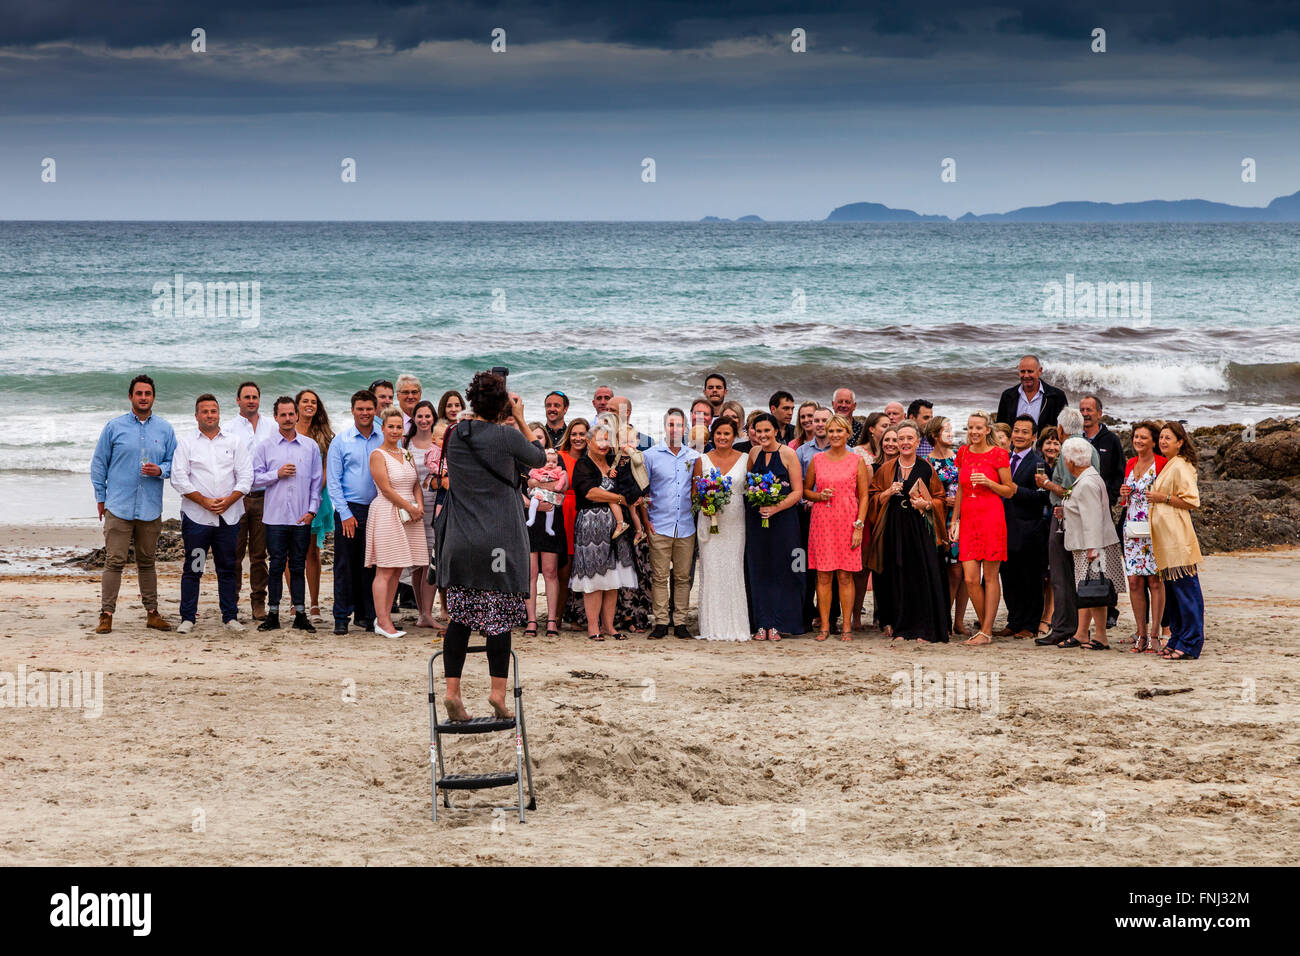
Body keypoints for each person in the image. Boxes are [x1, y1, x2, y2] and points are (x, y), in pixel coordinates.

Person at [435, 372, 545, 719]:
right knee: (498, 619)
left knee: (460, 619)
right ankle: (498, 694)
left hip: (461, 540)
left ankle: (453, 691)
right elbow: (540, 458)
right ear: (503, 406)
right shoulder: (507, 436)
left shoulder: (454, 434)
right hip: (498, 542)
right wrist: (523, 419)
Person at [90, 374, 177, 634]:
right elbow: (99, 464)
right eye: (138, 393)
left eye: (147, 393)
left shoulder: (165, 429)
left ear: (153, 397)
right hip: (118, 505)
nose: (143, 397)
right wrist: (100, 497)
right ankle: (106, 614)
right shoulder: (114, 427)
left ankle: (152, 613)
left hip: (150, 507)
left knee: (147, 561)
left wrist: (160, 470)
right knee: (114, 561)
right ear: (131, 397)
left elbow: (176, 464)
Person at [171, 393, 250, 634]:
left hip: (229, 518)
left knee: (227, 567)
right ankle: (188, 618)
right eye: (204, 411)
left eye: (213, 411)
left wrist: (228, 501)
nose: (209, 415)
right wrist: (204, 501)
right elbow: (179, 478)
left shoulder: (234, 442)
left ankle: (230, 616)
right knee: (194, 567)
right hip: (197, 520)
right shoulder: (187, 443)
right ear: (197, 415)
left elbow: (246, 478)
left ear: (219, 414)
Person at [868, 421, 950, 643]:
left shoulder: (926, 467)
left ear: (918, 442)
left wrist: (926, 505)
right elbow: (873, 498)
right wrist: (887, 492)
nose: (904, 443)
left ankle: (924, 629)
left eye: (908, 438)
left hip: (920, 528)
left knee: (921, 576)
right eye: (900, 438)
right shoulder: (887, 468)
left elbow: (940, 499)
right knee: (897, 575)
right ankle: (900, 628)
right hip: (893, 527)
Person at [253, 396, 323, 633]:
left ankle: (300, 612)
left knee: (298, 565)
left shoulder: (310, 446)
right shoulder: (265, 446)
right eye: (282, 415)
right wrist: (276, 474)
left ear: (296, 415)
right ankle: (273, 613)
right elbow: (253, 479)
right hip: (274, 517)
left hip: (301, 517)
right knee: (275, 565)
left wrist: (312, 510)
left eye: (291, 414)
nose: (287, 418)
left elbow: (316, 482)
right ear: (275, 417)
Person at [1034, 408, 1101, 646]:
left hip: (1066, 517)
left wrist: (1047, 483)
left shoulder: (1068, 451)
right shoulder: (1090, 448)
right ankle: (1078, 628)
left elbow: (1069, 491)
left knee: (1061, 574)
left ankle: (1063, 627)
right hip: (1087, 517)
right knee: (1079, 574)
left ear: (1060, 429)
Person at [804, 415, 872, 641]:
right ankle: (824, 626)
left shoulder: (856, 461)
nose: (834, 435)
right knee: (823, 576)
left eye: (839, 431)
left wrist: (859, 526)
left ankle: (846, 627)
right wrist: (818, 495)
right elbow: (806, 491)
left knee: (845, 576)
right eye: (831, 431)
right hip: (822, 522)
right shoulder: (818, 460)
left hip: (848, 522)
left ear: (848, 433)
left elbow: (863, 497)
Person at [570, 417, 638, 641]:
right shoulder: (583, 464)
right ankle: (593, 628)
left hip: (617, 528)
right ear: (589, 442)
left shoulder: (613, 460)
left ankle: (610, 626)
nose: (603, 443)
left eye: (607, 439)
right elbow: (590, 492)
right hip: (591, 526)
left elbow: (629, 482)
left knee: (613, 579)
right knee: (594, 579)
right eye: (599, 439)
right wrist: (620, 498)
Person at [950, 411, 1014, 646]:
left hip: (991, 517)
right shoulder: (963, 453)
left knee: (990, 575)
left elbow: (1009, 490)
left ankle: (985, 631)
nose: (974, 432)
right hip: (968, 519)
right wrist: (954, 520)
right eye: (970, 428)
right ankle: (985, 625)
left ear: (988, 430)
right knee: (969, 578)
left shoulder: (999, 454)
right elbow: (960, 490)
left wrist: (990, 483)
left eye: (978, 428)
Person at [365, 407, 427, 639]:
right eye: (390, 426)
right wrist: (409, 507)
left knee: (399, 567)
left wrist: (418, 506)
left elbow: (415, 484)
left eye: (398, 426)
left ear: (404, 429)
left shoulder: (407, 454)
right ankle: (382, 619)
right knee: (386, 568)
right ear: (382, 428)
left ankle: (385, 618)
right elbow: (386, 489)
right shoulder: (377, 455)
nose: (394, 430)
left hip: (408, 515)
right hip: (388, 512)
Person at [744, 413, 806, 640]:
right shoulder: (753, 453)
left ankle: (780, 623)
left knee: (783, 569)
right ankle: (762, 623)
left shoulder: (788, 454)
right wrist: (759, 502)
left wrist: (776, 508)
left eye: (766, 431)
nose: (762, 435)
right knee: (759, 569)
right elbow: (750, 484)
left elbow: (798, 491)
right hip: (757, 520)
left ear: (776, 431)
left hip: (783, 520)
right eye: (758, 431)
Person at [640, 409, 701, 639]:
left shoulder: (693, 457)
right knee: (659, 576)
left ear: (685, 428)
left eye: (679, 425)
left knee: (683, 577)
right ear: (664, 427)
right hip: (659, 524)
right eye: (670, 425)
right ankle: (661, 622)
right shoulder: (651, 455)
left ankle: (681, 622)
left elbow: (696, 490)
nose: (675, 429)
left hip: (686, 525)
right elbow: (644, 491)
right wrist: (646, 522)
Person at [326, 390, 383, 635]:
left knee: (371, 565)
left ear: (375, 410)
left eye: (369, 409)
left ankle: (368, 616)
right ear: (352, 410)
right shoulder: (341, 441)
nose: (365, 413)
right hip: (349, 509)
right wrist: (345, 513)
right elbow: (333, 482)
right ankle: (341, 617)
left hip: (379, 509)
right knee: (345, 565)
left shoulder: (385, 438)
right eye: (360, 409)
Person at [1059, 437, 1123, 650]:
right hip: (1092, 543)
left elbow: (1093, 517)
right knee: (1087, 589)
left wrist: (1093, 548)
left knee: (1094, 590)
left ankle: (1100, 636)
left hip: (1092, 545)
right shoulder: (1091, 477)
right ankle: (1082, 633)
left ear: (1070, 461)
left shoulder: (1086, 482)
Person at [1150, 422, 1205, 661]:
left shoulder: (1181, 466)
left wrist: (1163, 497)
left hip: (1178, 540)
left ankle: (1191, 643)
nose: (1163, 442)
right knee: (1173, 594)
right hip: (1166, 540)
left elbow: (1192, 500)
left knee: (1186, 592)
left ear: (1180, 442)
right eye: (1161, 438)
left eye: (1168, 438)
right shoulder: (1170, 464)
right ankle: (1177, 638)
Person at [693, 417, 749, 641]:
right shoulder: (702, 460)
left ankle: (737, 625)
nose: (722, 438)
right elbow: (694, 494)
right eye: (718, 434)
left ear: (734, 436)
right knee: (712, 570)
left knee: (734, 568)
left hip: (736, 521)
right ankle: (711, 626)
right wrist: (706, 505)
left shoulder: (746, 459)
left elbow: (749, 490)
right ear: (712, 436)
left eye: (727, 434)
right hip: (709, 519)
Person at [999, 415, 1050, 639]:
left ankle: (1030, 624)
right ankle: (1014, 620)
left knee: (1029, 578)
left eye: (1024, 432)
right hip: (1003, 526)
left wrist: (1014, 489)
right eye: (1016, 431)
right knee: (1008, 576)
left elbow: (1043, 496)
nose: (1019, 436)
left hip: (1028, 528)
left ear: (1034, 437)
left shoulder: (1038, 462)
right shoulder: (1004, 459)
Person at [1119, 421, 1168, 653]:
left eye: (1143, 438)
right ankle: (1140, 633)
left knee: (1155, 581)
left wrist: (1158, 496)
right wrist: (1123, 493)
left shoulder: (1162, 464)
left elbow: (1170, 493)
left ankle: (1155, 634)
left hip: (1154, 527)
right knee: (1134, 580)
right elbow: (1127, 497)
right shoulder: (1130, 463)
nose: (1138, 441)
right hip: (1132, 527)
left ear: (1153, 441)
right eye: (1136, 437)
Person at [226, 381, 272, 620]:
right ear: (238, 400)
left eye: (255, 396)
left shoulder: (271, 426)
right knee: (234, 553)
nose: (251, 400)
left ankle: (258, 603)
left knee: (259, 555)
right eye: (247, 397)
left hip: (265, 498)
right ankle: (231, 602)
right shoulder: (229, 428)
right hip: (237, 498)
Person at [1080, 394, 1126, 628]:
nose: (1085, 414)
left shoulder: (1111, 440)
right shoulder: (1074, 440)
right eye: (1082, 410)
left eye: (1089, 410)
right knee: (1082, 561)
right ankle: (1083, 608)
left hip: (1103, 508)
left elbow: (1120, 472)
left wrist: (1111, 495)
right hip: (1077, 509)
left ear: (1099, 413)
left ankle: (1109, 610)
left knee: (1104, 559)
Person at [924, 415, 968, 636]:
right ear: (934, 435)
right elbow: (925, 492)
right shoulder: (927, 462)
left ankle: (958, 620)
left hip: (962, 518)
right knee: (951, 571)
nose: (951, 434)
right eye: (946, 430)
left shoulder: (960, 457)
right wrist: (942, 500)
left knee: (964, 571)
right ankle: (945, 618)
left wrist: (959, 503)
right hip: (940, 520)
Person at [294, 389, 334, 624]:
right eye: (305, 401)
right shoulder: (287, 429)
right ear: (297, 405)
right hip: (290, 497)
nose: (309, 405)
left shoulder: (324, 434)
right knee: (291, 554)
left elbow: (327, 468)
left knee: (312, 551)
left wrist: (313, 494)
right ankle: (293, 603)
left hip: (317, 497)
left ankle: (315, 604)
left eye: (313, 402)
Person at [523, 428, 568, 639]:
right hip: (529, 519)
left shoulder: (555, 459)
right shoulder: (522, 461)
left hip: (551, 516)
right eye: (533, 436)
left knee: (550, 571)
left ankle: (551, 619)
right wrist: (537, 487)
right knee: (530, 573)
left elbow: (562, 487)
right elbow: (517, 489)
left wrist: (536, 483)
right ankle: (531, 619)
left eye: (540, 436)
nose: (537, 440)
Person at [404, 400, 441, 629]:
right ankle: (421, 613)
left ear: (433, 418)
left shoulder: (439, 442)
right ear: (414, 418)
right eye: (420, 416)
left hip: (436, 507)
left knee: (431, 562)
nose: (424, 420)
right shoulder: (406, 443)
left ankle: (428, 611)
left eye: (428, 416)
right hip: (412, 508)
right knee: (418, 563)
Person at [555, 419, 589, 631]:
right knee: (563, 570)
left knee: (584, 567)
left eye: (582, 434)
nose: (577, 438)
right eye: (574, 434)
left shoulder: (591, 459)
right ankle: (556, 618)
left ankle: (580, 618)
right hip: (563, 511)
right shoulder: (560, 457)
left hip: (584, 510)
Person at [1035, 425, 1062, 635]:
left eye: (1056, 442)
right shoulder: (1037, 465)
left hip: (1057, 520)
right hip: (1038, 522)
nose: (1051, 446)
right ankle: (1041, 613)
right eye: (1048, 442)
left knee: (1054, 572)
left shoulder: (1062, 467)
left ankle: (1049, 615)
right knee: (1041, 571)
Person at [996, 354, 1068, 429]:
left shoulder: (1056, 396)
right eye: (1022, 371)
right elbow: (1000, 428)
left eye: (1030, 371)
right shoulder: (1008, 396)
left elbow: (1064, 428)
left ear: (1040, 371)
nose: (1026, 375)